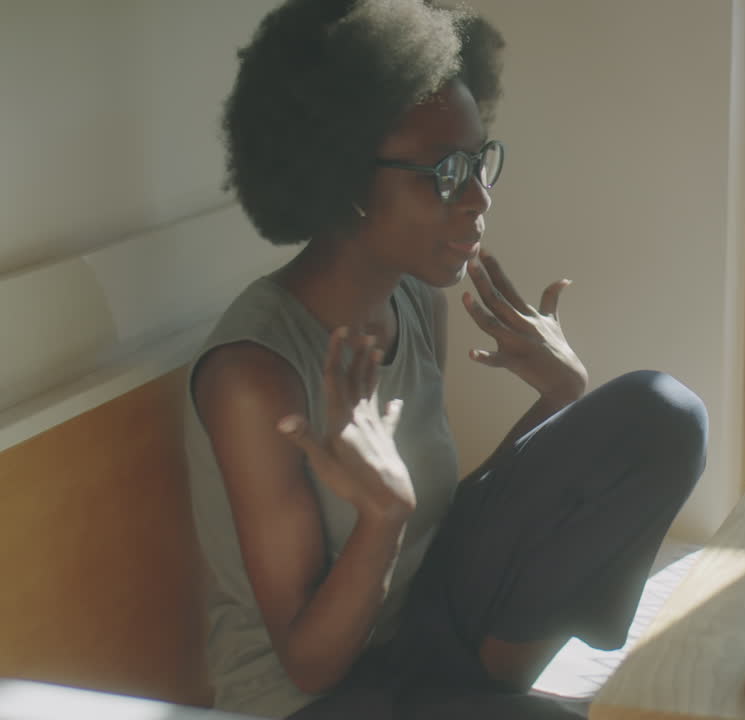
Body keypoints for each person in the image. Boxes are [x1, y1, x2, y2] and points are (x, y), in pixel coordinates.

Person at [182, 1, 708, 717]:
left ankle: (491, 680)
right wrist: (382, 517)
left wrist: (558, 399)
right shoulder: (254, 375)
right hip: (321, 698)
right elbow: (308, 664)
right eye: (445, 173)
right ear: (343, 179)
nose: (479, 198)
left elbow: (445, 513)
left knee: (660, 412)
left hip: (419, 634)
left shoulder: (412, 299)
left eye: (480, 160)